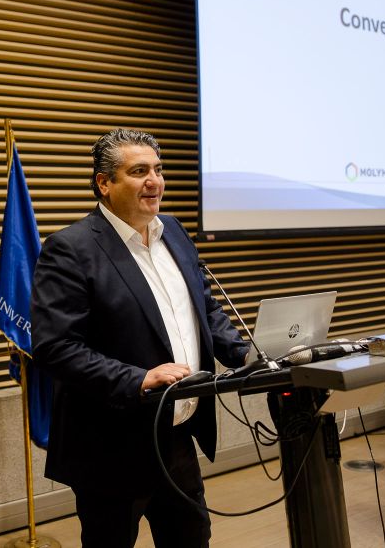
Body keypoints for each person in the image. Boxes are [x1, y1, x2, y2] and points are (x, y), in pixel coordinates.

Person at [31, 128, 249, 548]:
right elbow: (55, 347)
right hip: (110, 447)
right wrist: (138, 378)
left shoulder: (174, 232)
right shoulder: (70, 249)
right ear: (104, 183)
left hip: (177, 436)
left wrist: (246, 354)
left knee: (192, 540)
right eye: (139, 171)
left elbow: (205, 310)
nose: (155, 181)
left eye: (158, 170)